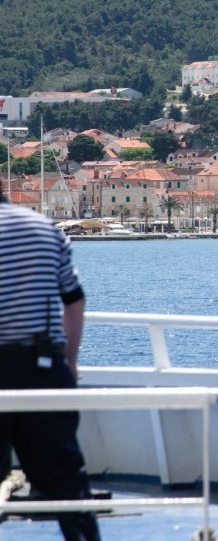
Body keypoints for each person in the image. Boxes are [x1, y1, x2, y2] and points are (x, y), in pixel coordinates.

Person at [0, 180, 101, 541]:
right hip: (42, 367)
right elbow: (73, 299)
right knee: (67, 478)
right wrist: (69, 363)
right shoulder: (43, 229)